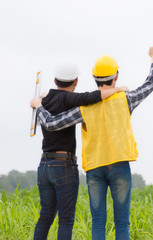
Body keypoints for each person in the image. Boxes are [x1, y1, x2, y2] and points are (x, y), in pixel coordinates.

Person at [30, 46, 153, 240]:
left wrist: (40, 104)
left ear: (93, 77)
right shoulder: (126, 99)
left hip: (95, 168)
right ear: (116, 76)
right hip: (119, 165)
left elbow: (53, 123)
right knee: (122, 221)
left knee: (98, 221)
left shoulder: (84, 107)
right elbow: (151, 83)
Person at [31, 59, 127, 240]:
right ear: (76, 82)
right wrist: (116, 89)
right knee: (65, 220)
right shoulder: (69, 99)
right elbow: (92, 97)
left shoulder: (45, 98)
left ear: (54, 81)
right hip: (63, 165)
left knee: (45, 216)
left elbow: (46, 105)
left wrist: (38, 104)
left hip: (44, 166)